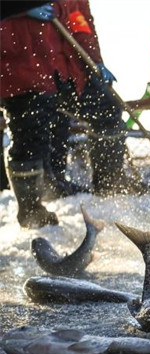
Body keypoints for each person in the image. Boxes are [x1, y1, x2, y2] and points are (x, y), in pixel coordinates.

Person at [50, 0, 128, 196]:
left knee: (108, 109)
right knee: (49, 122)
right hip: (40, 69)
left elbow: (82, 27)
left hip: (75, 70)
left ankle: (109, 183)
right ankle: (52, 185)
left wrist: (96, 61)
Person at [0, 4, 63, 227]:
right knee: (26, 137)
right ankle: (29, 210)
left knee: (37, 136)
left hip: (37, 67)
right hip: (14, 67)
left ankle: (36, 201)